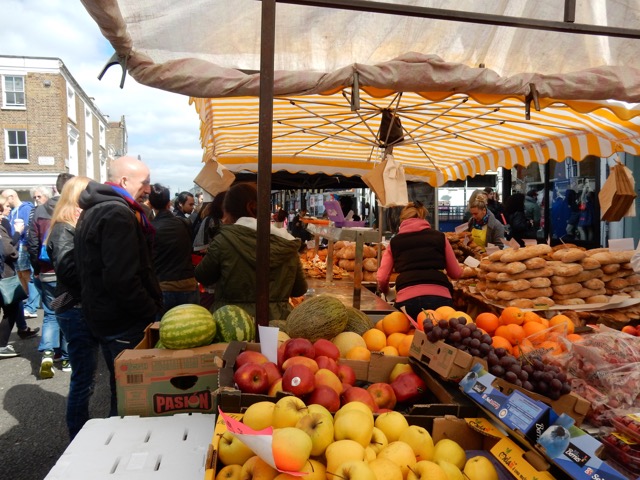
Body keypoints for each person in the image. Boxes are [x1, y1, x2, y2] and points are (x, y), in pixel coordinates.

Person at [74, 156, 163, 417]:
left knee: (120, 389)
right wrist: (148, 310)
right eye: (145, 182)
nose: (149, 189)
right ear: (124, 181)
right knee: (129, 397)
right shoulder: (117, 213)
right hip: (122, 321)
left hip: (105, 317)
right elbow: (122, 278)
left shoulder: (96, 208)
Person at [194, 182, 308, 320]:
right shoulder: (287, 243)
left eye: (225, 214)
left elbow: (202, 276)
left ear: (229, 212)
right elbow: (299, 289)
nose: (224, 219)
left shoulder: (223, 240)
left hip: (231, 321)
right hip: (275, 324)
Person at [45, 175, 100, 438]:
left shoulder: (72, 226)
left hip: (79, 308)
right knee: (83, 379)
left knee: (86, 376)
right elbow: (69, 271)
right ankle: (78, 436)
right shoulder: (63, 228)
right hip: (75, 310)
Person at [377, 202, 462, 320]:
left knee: (407, 336)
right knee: (441, 335)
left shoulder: (395, 242)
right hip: (441, 299)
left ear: (402, 220)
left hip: (407, 301)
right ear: (423, 217)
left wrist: (387, 291)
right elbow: (456, 273)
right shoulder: (440, 237)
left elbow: (381, 278)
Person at [28, 178, 73, 378]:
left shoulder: (39, 210)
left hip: (46, 272)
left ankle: (47, 354)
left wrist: (37, 269)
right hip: (66, 272)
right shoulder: (72, 209)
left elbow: (32, 243)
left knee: (50, 314)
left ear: (56, 187)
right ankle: (66, 358)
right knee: (67, 311)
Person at [149, 184, 199, 317]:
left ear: (150, 204)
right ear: (168, 203)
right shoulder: (184, 223)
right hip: (188, 284)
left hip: (163, 287)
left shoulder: (150, 229)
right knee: (192, 331)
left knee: (163, 332)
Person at [0, 218, 27, 357]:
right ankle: (1, 345)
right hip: (3, 275)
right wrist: (17, 232)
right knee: (11, 308)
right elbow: (8, 251)